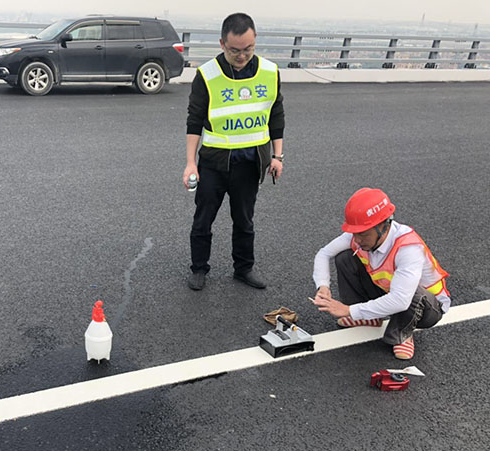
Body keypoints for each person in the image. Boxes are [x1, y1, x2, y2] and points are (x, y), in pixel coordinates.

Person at [184, 12, 285, 291]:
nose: (242, 56)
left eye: (248, 49)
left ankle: (244, 268)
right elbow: (194, 121)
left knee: (244, 219)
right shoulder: (207, 75)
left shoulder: (269, 72)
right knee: (204, 218)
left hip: (250, 162)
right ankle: (199, 269)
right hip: (214, 162)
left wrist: (278, 156)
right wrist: (190, 163)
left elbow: (276, 115)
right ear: (221, 43)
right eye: (235, 50)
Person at [311, 188, 451, 360]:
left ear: (383, 226)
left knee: (413, 293)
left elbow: (401, 300)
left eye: (363, 234)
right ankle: (368, 317)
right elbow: (324, 253)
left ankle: (403, 333)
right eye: (354, 233)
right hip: (388, 291)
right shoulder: (359, 235)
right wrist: (323, 285)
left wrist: (348, 310)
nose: (357, 239)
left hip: (427, 308)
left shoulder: (408, 248)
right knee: (345, 258)